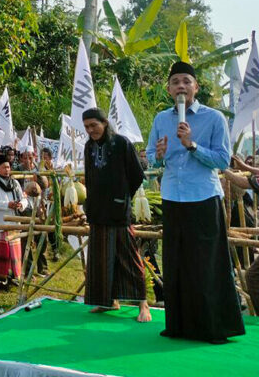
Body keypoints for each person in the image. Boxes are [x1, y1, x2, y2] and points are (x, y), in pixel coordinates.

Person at [146, 61, 244, 343]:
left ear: (195, 87)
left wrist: (192, 145)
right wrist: (159, 155)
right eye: (175, 81)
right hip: (173, 197)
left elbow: (223, 161)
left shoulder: (213, 118)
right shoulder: (160, 119)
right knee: (176, 263)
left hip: (203, 196)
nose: (181, 86)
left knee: (206, 263)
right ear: (168, 89)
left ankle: (213, 327)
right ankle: (179, 325)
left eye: (186, 81)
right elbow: (151, 157)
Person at [82, 108, 150, 323]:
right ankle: (108, 301)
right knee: (100, 259)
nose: (91, 130)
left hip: (118, 211)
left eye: (94, 125)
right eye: (87, 127)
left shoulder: (121, 143)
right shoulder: (89, 146)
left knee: (129, 257)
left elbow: (137, 175)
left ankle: (143, 304)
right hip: (97, 211)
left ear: (104, 122)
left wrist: (123, 197)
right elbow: (90, 177)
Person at [0, 157, 24, 289]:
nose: (7, 170)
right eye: (4, 167)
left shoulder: (15, 183)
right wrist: (7, 205)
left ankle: (14, 277)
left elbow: (24, 198)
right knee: (1, 253)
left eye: (8, 167)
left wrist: (20, 205)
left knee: (14, 253)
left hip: (14, 223)